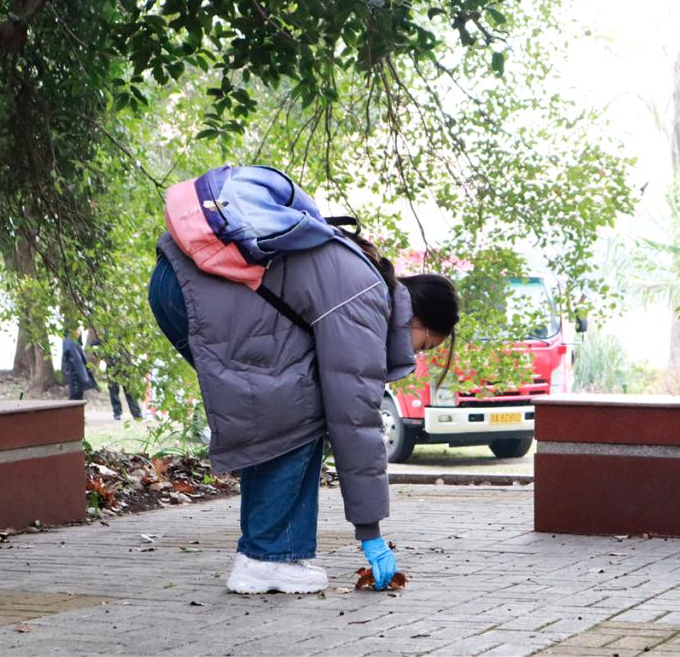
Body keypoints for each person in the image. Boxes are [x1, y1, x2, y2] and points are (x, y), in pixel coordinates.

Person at [148, 223, 458, 594]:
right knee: (299, 410)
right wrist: (371, 532)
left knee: (280, 406)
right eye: (423, 346)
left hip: (181, 279)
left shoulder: (362, 277)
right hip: (196, 289)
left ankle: (267, 555)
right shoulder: (367, 298)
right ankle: (267, 558)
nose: (414, 355)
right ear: (418, 319)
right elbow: (355, 420)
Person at [86, 331, 143, 421]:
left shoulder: (123, 332)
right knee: (113, 390)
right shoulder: (105, 336)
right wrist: (101, 356)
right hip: (112, 366)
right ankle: (117, 412)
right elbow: (92, 345)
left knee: (129, 390)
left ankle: (137, 413)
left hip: (125, 365)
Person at [61, 328, 97, 401]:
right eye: (78, 329)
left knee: (77, 399)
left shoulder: (73, 341)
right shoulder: (70, 341)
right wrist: (84, 378)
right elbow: (76, 360)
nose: (80, 332)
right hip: (74, 376)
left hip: (75, 376)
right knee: (75, 399)